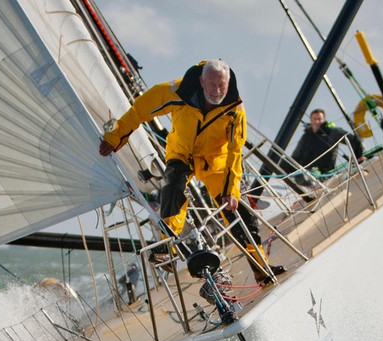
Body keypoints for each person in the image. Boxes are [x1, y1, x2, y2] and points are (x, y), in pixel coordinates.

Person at [99, 59, 281, 285]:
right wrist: (113, 139)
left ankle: (261, 267)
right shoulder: (177, 91)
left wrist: (232, 190)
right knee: (172, 188)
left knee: (237, 211)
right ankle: (167, 249)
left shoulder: (234, 108)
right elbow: (139, 111)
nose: (217, 91)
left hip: (216, 161)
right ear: (201, 82)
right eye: (212, 85)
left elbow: (235, 150)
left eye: (222, 86)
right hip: (182, 155)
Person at [291, 108, 365, 177]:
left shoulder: (332, 132)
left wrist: (358, 155)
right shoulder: (306, 136)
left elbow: (352, 139)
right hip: (308, 174)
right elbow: (296, 155)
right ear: (310, 120)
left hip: (326, 173)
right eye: (314, 119)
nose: (316, 121)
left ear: (324, 120)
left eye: (319, 119)